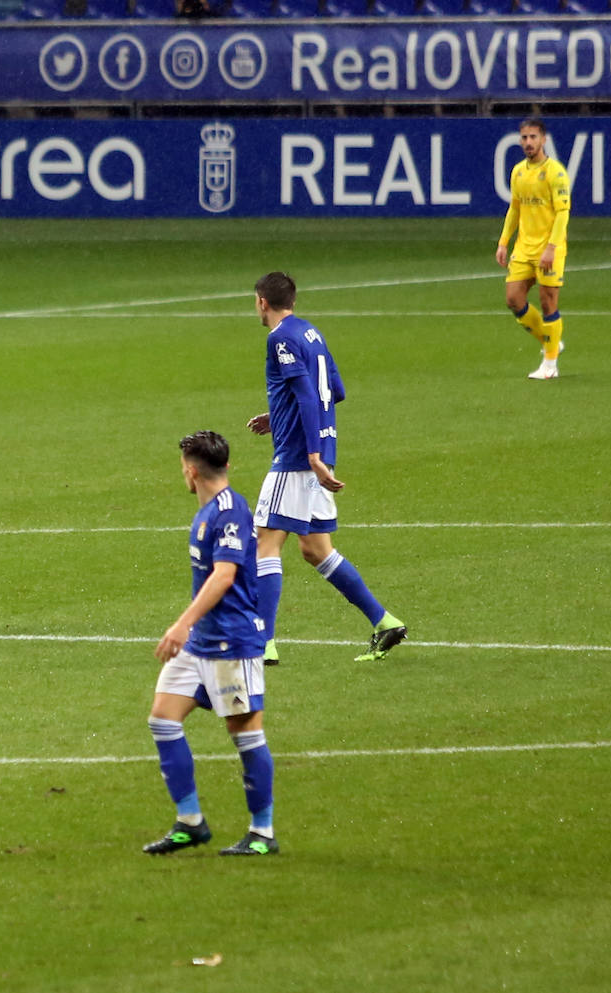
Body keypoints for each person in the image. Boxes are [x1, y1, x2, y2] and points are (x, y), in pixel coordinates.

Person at [247, 271, 406, 665]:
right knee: (316, 549)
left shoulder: (279, 338)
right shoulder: (312, 334)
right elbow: (335, 390)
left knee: (265, 542)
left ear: (262, 302)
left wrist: (313, 455)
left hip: (299, 458)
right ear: (293, 302)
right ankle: (384, 621)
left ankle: (263, 643)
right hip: (318, 450)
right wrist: (278, 414)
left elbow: (305, 392)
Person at [144, 431, 277, 857]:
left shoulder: (230, 513)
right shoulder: (208, 511)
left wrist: (182, 624)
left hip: (231, 643)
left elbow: (224, 576)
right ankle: (190, 822)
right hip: (201, 643)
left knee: (245, 734)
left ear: (191, 469)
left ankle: (262, 833)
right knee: (163, 719)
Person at [495, 116, 571, 381]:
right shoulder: (518, 171)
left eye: (533, 137)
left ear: (543, 140)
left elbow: (563, 213)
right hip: (524, 248)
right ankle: (550, 341)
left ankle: (550, 365)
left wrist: (551, 247)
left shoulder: (556, 173)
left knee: (548, 302)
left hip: (550, 248)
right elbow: (515, 208)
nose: (528, 142)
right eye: (524, 138)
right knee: (513, 299)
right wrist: (504, 241)